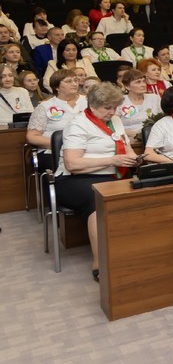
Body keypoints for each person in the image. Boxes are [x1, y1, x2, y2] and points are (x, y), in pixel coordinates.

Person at [54, 82, 137, 282]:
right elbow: (72, 164)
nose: (112, 112)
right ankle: (100, 263)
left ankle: (132, 252)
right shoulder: (78, 124)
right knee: (98, 199)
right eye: (107, 108)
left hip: (113, 174)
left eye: (115, 107)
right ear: (92, 106)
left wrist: (134, 159)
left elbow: (128, 150)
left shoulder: (115, 120)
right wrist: (112, 161)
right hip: (76, 179)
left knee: (142, 191)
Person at [26, 70, 87, 154]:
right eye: (68, 81)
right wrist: (61, 144)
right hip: (55, 151)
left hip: (89, 147)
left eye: (76, 80)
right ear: (57, 87)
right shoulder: (45, 106)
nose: (74, 84)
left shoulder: (90, 101)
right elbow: (32, 137)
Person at [116, 69, 162, 138]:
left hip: (153, 137)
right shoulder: (119, 101)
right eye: (138, 82)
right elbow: (113, 126)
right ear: (127, 86)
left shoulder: (155, 98)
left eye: (144, 81)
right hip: (128, 138)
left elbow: (163, 120)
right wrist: (133, 134)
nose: (143, 85)